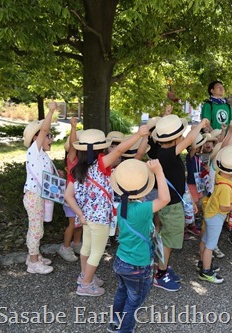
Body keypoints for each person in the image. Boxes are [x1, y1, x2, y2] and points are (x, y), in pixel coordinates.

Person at [65, 126, 150, 297]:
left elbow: (68, 196)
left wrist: (80, 214)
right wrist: (139, 134)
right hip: (100, 217)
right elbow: (119, 150)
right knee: (96, 252)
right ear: (100, 149)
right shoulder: (101, 164)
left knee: (86, 248)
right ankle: (86, 285)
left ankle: (85, 276)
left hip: (86, 217)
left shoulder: (76, 169)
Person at [108, 159, 170, 333]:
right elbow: (165, 198)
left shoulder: (122, 207)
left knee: (122, 291)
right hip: (138, 265)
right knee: (134, 300)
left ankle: (115, 322)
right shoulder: (142, 210)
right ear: (145, 187)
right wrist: (158, 171)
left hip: (121, 261)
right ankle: (125, 330)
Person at [151, 115, 209, 292]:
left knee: (166, 237)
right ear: (174, 139)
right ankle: (160, 275)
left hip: (171, 202)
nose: (183, 137)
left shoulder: (157, 150)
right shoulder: (167, 154)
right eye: (180, 135)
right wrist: (201, 124)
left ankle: (163, 267)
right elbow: (191, 139)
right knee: (168, 240)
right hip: (171, 206)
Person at [199, 145, 232, 283]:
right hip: (216, 216)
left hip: (211, 213)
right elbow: (224, 207)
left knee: (205, 240)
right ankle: (206, 272)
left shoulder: (222, 175)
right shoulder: (226, 186)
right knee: (210, 245)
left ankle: (203, 263)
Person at [22, 101, 60, 274]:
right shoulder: (34, 150)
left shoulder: (42, 155)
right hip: (34, 196)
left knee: (38, 229)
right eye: (48, 135)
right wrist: (51, 111)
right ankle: (34, 263)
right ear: (36, 137)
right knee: (36, 229)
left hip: (37, 196)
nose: (50, 138)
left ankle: (33, 255)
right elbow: (43, 129)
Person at [58, 117, 82, 262]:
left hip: (82, 198)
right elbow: (73, 146)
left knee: (81, 223)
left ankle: (77, 243)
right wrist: (73, 128)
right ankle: (65, 247)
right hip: (71, 197)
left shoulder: (85, 159)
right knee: (73, 224)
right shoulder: (72, 158)